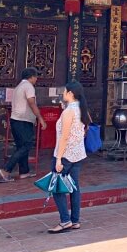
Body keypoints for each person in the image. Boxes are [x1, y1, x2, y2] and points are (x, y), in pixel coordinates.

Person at [48, 81, 88, 233]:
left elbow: (64, 137)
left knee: (57, 187)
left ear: (70, 93)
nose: (63, 94)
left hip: (65, 155)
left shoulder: (68, 112)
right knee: (74, 187)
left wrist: (58, 158)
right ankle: (75, 220)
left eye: (65, 91)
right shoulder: (81, 109)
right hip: (77, 154)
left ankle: (65, 220)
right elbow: (83, 130)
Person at [0, 67, 46, 182]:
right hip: (23, 120)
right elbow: (31, 103)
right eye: (35, 77)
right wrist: (40, 118)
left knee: (21, 146)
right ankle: (6, 169)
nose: (36, 79)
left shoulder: (19, 86)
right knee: (27, 145)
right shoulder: (28, 86)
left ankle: (24, 172)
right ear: (32, 77)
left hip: (16, 120)